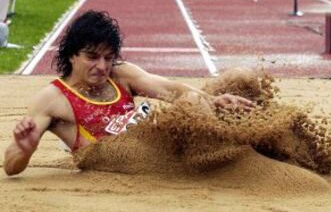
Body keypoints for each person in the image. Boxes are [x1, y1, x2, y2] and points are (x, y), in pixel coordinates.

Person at [3, 10, 254, 176]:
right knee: (191, 102)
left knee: (240, 77)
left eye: (108, 58)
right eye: (92, 57)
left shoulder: (120, 74)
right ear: (71, 55)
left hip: (161, 139)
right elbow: (12, 167)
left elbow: (168, 89)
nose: (102, 67)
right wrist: (25, 149)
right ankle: (238, 158)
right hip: (134, 160)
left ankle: (253, 137)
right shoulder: (52, 100)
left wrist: (213, 100)